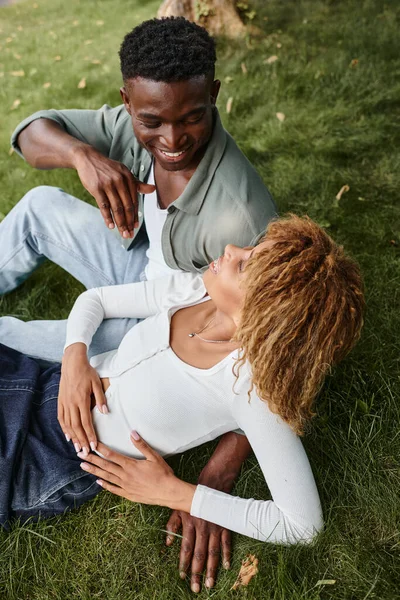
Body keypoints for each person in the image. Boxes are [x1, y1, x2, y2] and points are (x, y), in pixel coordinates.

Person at [0, 17, 277, 587]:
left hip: (163, 326)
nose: (172, 140)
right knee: (36, 207)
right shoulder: (136, 125)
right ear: (128, 102)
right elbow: (31, 132)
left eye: (192, 117)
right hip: (146, 275)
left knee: (8, 340)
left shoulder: (239, 221)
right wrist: (85, 156)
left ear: (214, 96)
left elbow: (273, 360)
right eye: (151, 121)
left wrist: (211, 483)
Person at [0, 215, 365, 592]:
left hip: (53, 456)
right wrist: (75, 356)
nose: (231, 249)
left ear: (261, 311)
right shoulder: (197, 291)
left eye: (242, 263)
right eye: (250, 250)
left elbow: (302, 524)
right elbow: (98, 299)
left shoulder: (249, 388)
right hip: (50, 383)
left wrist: (178, 494)